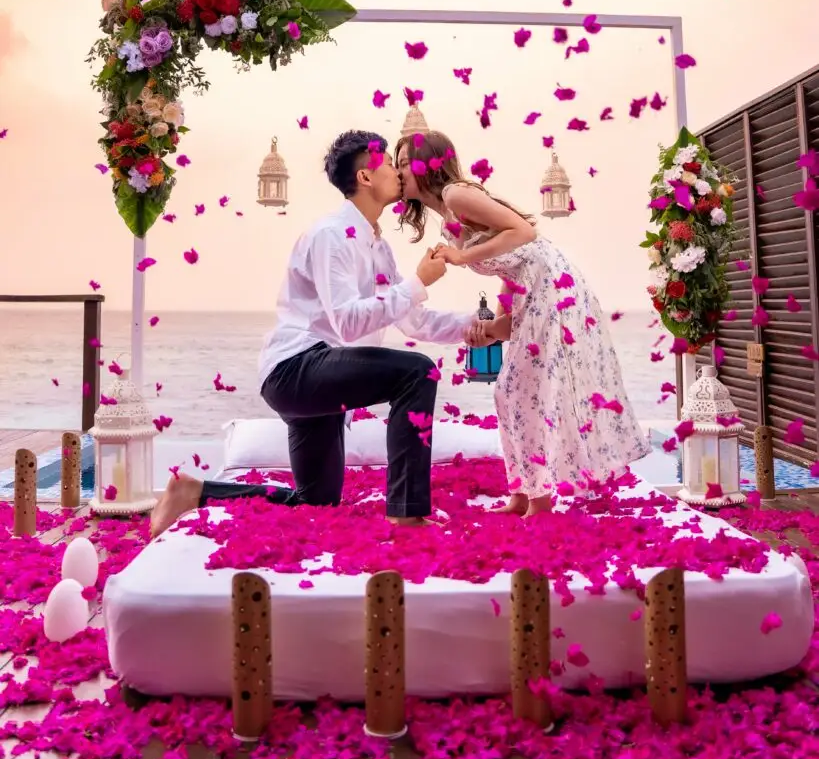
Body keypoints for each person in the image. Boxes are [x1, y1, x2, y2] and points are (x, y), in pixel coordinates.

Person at [150, 130, 477, 538]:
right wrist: (417, 282)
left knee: (315, 500)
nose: (399, 169)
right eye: (389, 163)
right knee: (418, 372)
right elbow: (347, 322)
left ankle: (193, 491)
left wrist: (477, 328)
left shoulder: (378, 248)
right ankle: (407, 512)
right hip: (296, 368)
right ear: (366, 177)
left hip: (321, 381)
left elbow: (414, 321)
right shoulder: (331, 235)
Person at [395, 130, 651, 518]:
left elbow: (525, 233)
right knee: (511, 392)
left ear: (425, 164)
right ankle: (525, 493)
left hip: (552, 286)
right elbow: (512, 264)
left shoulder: (456, 195)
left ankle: (540, 500)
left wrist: (463, 258)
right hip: (530, 290)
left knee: (528, 390)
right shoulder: (447, 216)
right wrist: (499, 322)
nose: (397, 174)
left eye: (401, 165)